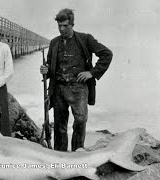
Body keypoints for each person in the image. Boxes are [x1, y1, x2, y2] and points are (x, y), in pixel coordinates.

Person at [40, 9, 112, 151]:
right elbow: (50, 65)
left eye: (65, 26)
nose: (62, 29)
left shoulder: (85, 39)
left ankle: (77, 153)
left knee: (80, 121)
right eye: (59, 26)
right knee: (60, 125)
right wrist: (45, 71)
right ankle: (60, 156)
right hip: (58, 89)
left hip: (78, 88)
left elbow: (107, 54)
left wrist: (91, 73)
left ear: (72, 24)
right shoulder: (54, 43)